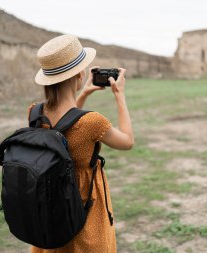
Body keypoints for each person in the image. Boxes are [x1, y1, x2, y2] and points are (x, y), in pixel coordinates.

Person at [29, 34, 134, 253]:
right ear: (80, 74)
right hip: (83, 207)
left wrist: (83, 92)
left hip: (49, 205)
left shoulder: (36, 113)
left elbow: (63, 126)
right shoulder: (92, 122)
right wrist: (120, 96)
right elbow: (127, 141)